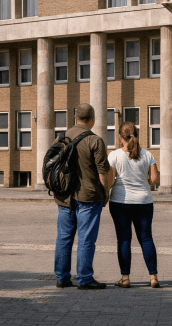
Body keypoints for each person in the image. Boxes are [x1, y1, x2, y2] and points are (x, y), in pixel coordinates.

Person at [54, 103, 110, 290]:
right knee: (86, 239)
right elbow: (103, 172)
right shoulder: (95, 141)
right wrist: (105, 192)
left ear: (75, 118)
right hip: (88, 196)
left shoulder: (61, 138)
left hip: (64, 197)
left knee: (63, 238)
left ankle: (62, 278)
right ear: (93, 119)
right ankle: (85, 278)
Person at [107, 121, 161, 288]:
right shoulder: (148, 155)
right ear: (136, 134)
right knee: (146, 238)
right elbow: (154, 180)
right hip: (144, 201)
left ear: (120, 137)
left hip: (120, 202)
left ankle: (125, 278)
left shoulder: (114, 155)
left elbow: (109, 182)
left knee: (123, 239)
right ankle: (153, 278)